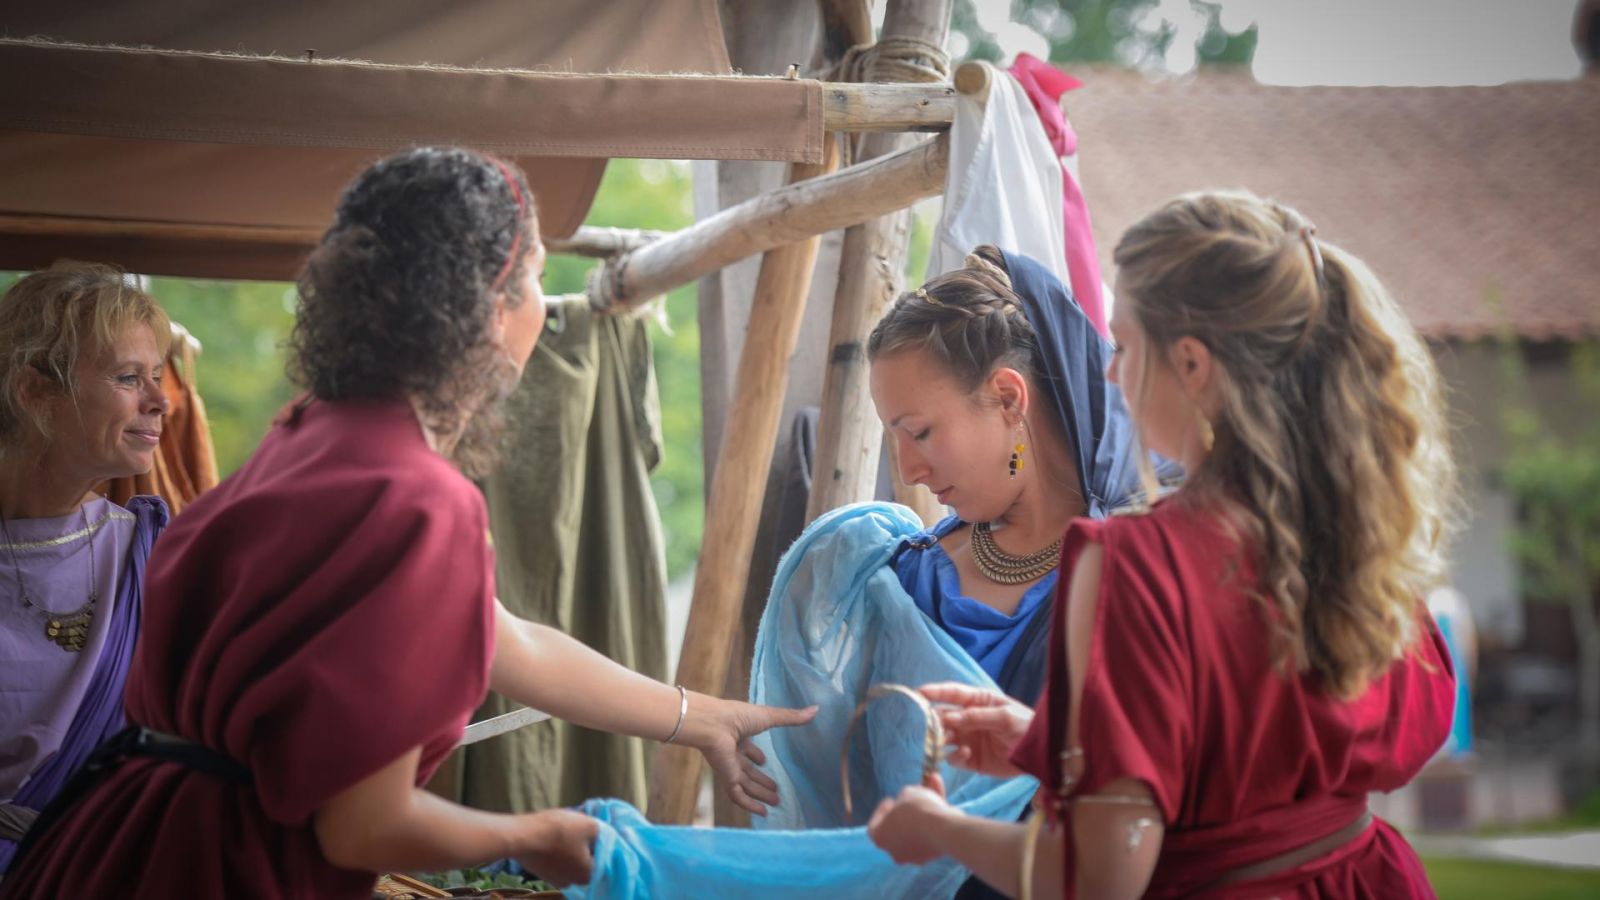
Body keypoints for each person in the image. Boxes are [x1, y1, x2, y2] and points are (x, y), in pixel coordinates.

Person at [0, 147, 813, 899]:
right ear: (487, 306)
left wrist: (702, 718)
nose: (540, 303)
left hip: (116, 846)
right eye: (534, 277)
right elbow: (364, 826)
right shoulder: (415, 498)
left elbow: (509, 642)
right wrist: (541, 834)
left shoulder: (311, 435)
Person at [867, 189, 1459, 898]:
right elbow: (1254, 764)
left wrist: (938, 829)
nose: (1108, 373)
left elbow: (1096, 880)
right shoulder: (1355, 529)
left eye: (1123, 346)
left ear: (1191, 365)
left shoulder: (1139, 564)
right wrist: (1055, 746)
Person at [868, 244, 1147, 705]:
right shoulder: (915, 573)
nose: (909, 472)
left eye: (919, 432)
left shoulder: (1149, 569)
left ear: (1007, 399)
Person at [0, 263, 172, 874]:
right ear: (34, 392)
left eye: (157, 377)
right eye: (129, 378)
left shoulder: (151, 557)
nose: (161, 401)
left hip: (91, 873)